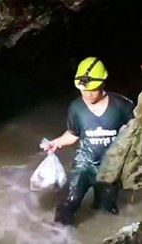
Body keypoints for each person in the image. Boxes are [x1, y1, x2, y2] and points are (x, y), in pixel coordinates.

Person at [42, 57, 135, 226]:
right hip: (84, 164)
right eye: (83, 90)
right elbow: (73, 133)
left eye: (92, 89)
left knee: (107, 207)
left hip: (111, 168)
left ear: (103, 83)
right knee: (70, 202)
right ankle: (61, 233)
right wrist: (56, 143)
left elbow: (136, 132)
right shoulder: (76, 108)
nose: (87, 94)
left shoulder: (122, 106)